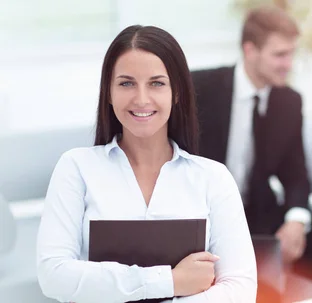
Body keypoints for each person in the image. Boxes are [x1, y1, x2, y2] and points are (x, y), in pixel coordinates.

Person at [36, 25, 257, 303]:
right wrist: (170, 281)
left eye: (156, 83)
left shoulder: (213, 178)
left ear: (176, 93)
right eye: (126, 83)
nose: (141, 99)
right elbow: (53, 275)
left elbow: (240, 288)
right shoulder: (76, 168)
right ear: (108, 92)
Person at [191, 5, 312, 288]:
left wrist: (296, 221)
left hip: (254, 210)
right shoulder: (199, 88)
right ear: (250, 50)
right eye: (280, 54)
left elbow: (296, 175)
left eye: (291, 53)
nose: (288, 64)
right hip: (200, 210)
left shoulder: (288, 101)